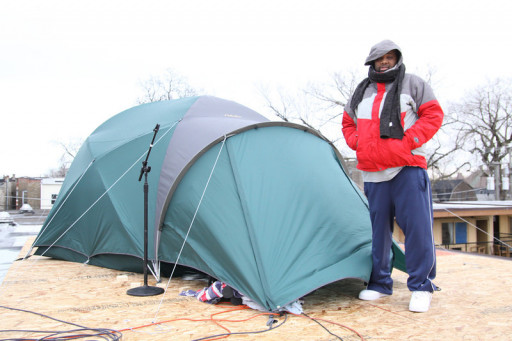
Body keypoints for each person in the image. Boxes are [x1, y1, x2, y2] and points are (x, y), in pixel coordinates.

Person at [342, 40, 443, 313]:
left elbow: (433, 115)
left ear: (396, 59)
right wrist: (357, 143)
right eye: (380, 58)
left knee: (417, 230)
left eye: (390, 57)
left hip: (407, 167)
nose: (384, 62)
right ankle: (380, 283)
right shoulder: (362, 91)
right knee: (379, 233)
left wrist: (408, 141)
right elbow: (348, 123)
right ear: (372, 62)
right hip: (373, 172)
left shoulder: (413, 83)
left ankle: (421, 286)